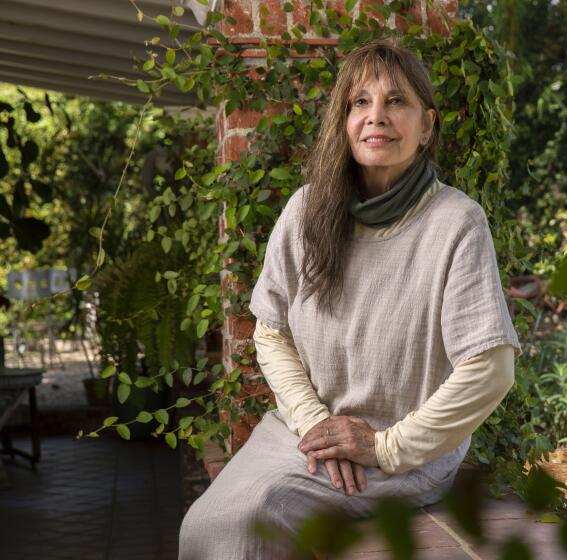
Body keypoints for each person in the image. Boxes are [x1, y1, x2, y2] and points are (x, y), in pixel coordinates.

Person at [178, 37, 522, 559]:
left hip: (406, 452)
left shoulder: (456, 223)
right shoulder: (307, 210)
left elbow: (490, 369)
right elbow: (273, 333)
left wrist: (381, 447)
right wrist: (317, 423)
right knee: (206, 525)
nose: (376, 116)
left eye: (396, 101)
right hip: (301, 432)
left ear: (426, 126)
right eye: (360, 102)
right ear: (344, 120)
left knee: (247, 526)